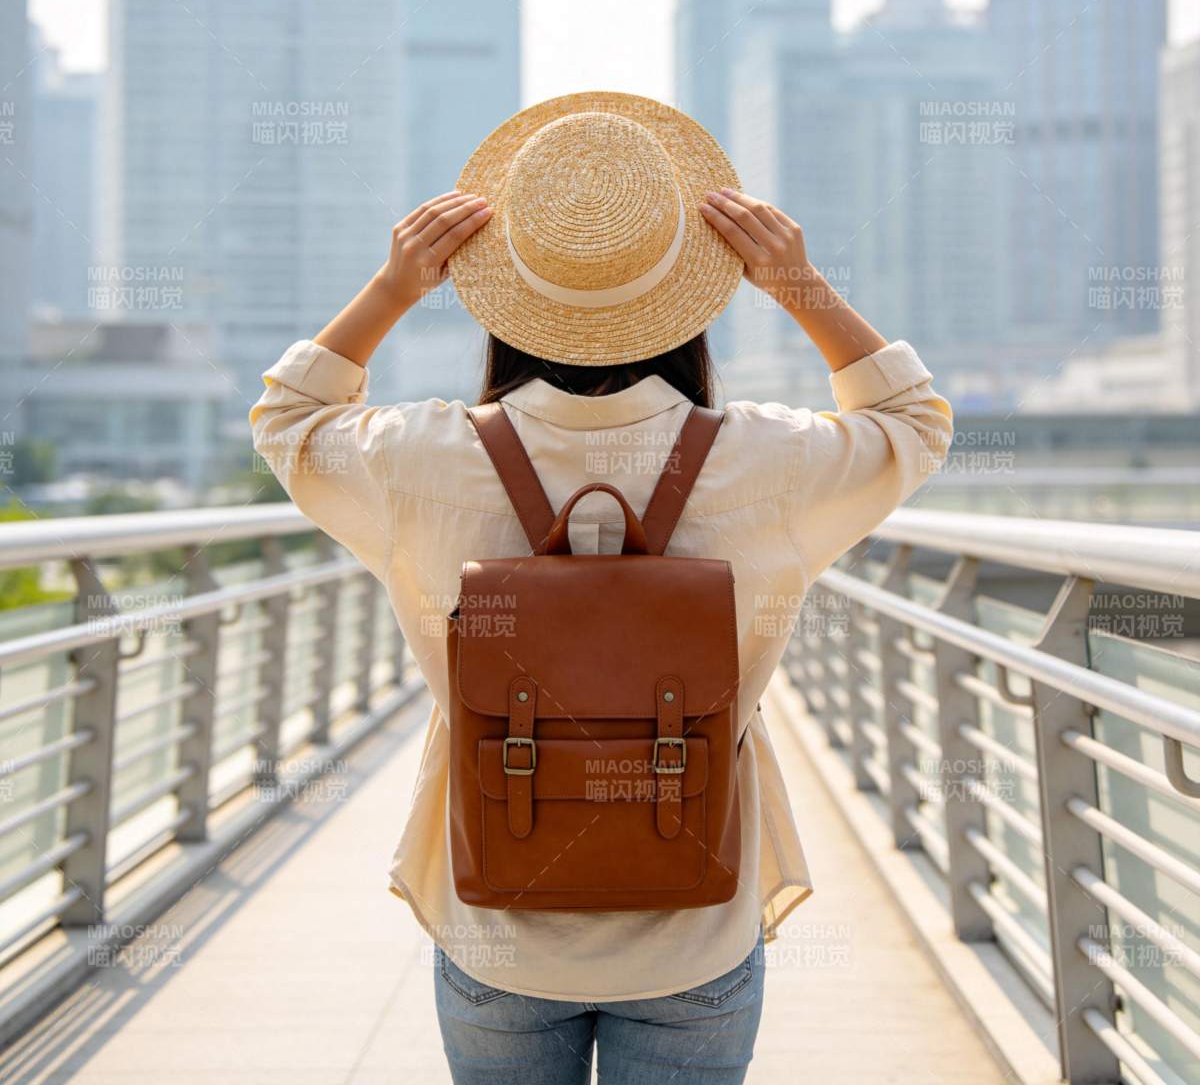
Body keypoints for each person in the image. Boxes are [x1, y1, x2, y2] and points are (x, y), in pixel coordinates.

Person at [250, 91, 953, 1084]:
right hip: (692, 926)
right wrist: (798, 285)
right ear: (694, 298)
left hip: (496, 918)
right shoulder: (769, 460)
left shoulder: (418, 458)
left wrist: (393, 285)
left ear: (502, 297)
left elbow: (289, 420)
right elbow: (913, 421)